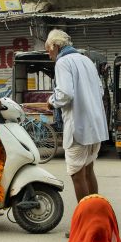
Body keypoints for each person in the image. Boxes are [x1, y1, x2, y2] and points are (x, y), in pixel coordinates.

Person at [46, 29, 109, 203]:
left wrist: (52, 101)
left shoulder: (63, 62)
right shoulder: (86, 60)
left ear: (56, 46)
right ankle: (95, 215)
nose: (48, 54)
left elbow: (65, 93)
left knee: (77, 174)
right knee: (88, 170)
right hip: (95, 126)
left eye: (48, 49)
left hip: (78, 126)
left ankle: (86, 221)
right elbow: (101, 90)